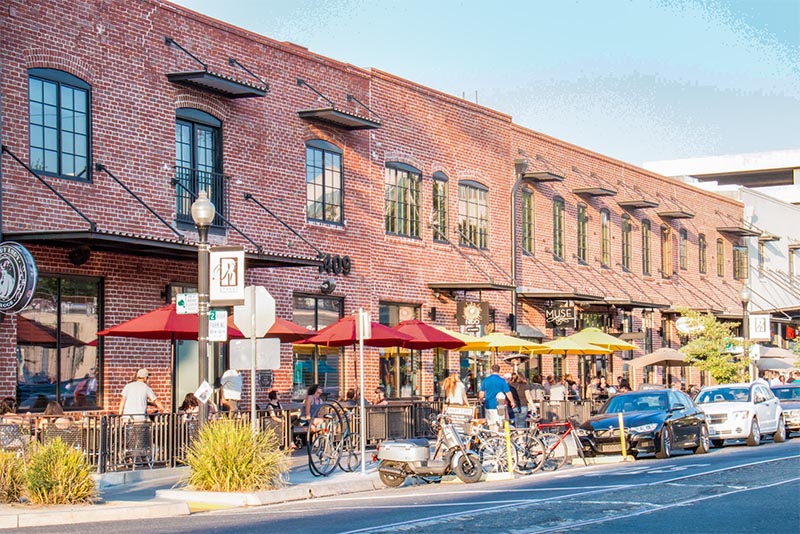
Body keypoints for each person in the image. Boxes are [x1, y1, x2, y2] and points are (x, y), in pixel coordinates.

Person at [479, 364, 515, 429]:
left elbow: (481, 393)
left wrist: (481, 400)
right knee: (500, 424)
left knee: (491, 424)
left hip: (489, 405)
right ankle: (498, 437)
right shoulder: (502, 380)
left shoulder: (486, 380)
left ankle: (492, 437)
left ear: (491, 370)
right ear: (499, 371)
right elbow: (508, 392)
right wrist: (512, 401)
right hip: (500, 405)